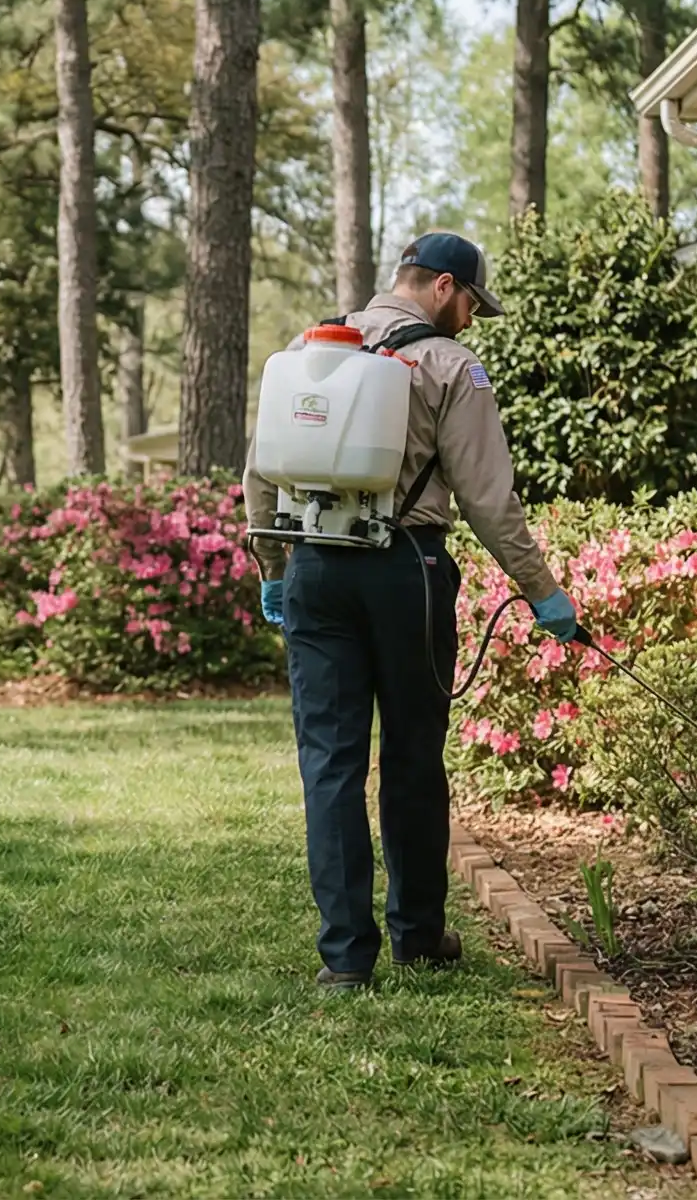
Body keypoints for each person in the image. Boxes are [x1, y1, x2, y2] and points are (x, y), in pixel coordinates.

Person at [243, 232, 579, 990]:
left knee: (329, 764)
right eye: (470, 303)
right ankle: (419, 936)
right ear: (442, 287)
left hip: (315, 568)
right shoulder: (453, 366)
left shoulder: (311, 349)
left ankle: (344, 962)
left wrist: (274, 569)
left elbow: (259, 472)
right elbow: (489, 500)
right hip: (407, 570)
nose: (471, 318)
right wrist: (541, 591)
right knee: (412, 758)